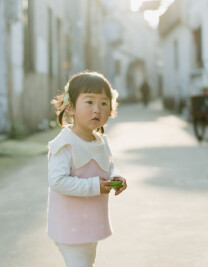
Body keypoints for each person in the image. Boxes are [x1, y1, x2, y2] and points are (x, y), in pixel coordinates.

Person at [48, 71, 127, 267]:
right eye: (89, 102)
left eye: (104, 103)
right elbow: (57, 181)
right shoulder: (65, 144)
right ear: (71, 107)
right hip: (70, 227)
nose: (97, 109)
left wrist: (116, 177)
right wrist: (94, 186)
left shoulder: (100, 141)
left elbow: (108, 167)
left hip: (91, 224)